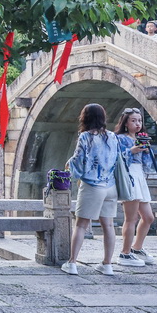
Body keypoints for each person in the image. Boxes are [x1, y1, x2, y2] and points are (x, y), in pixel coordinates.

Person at [61, 103, 119, 276]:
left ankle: (72, 263)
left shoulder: (85, 136)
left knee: (80, 225)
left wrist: (68, 165)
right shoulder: (112, 136)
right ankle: (107, 265)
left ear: (85, 118)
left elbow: (79, 160)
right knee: (108, 225)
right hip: (110, 186)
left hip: (93, 186)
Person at [114, 108, 157, 266]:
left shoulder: (141, 138)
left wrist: (146, 150)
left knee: (148, 217)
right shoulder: (119, 138)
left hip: (139, 176)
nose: (137, 123)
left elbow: (148, 165)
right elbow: (115, 158)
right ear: (125, 122)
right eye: (133, 120)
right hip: (128, 176)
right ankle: (124, 253)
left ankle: (136, 248)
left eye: (139, 120)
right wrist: (131, 151)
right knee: (131, 218)